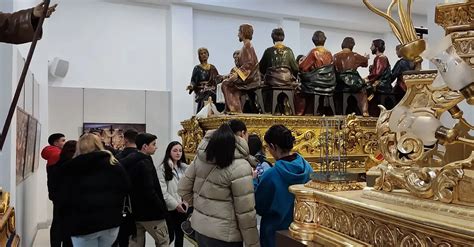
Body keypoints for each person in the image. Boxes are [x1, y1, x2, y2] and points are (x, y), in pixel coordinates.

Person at [178, 123, 260, 247]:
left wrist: (202, 206)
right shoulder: (240, 166)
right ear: (242, 134)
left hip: (201, 229)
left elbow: (182, 188)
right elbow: (246, 213)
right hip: (225, 236)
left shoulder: (201, 158)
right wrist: (252, 243)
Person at [56, 134, 129, 247]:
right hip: (110, 222)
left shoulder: (69, 168)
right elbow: (126, 188)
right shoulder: (114, 164)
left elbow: (62, 199)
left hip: (82, 224)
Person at [255, 125, 313, 247]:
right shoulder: (308, 168)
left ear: (273, 146)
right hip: (301, 232)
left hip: (274, 234)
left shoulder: (271, 175)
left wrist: (254, 181)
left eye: (268, 147)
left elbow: (259, 206)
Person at [121, 133, 169, 247]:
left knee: (136, 243)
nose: (156, 147)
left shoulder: (127, 161)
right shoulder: (144, 162)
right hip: (152, 214)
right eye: (153, 144)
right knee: (163, 242)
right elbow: (149, 191)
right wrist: (162, 208)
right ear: (144, 146)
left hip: (134, 213)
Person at [221, 24, 262, 113]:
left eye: (239, 32)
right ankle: (231, 108)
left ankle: (235, 109)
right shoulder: (246, 46)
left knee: (226, 84)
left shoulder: (247, 45)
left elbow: (250, 63)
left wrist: (237, 75)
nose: (238, 34)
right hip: (247, 76)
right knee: (228, 82)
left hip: (250, 78)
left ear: (243, 33)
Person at [296, 31, 335, 115]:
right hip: (329, 83)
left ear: (313, 40)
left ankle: (306, 111)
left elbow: (303, 67)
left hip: (317, 82)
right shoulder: (329, 53)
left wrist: (301, 61)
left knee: (301, 85)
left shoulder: (314, 52)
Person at [157, 141, 188, 247]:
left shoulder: (184, 168)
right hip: (170, 208)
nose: (178, 153)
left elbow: (188, 188)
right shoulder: (162, 169)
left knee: (180, 235)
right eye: (175, 150)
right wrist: (176, 205)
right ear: (169, 152)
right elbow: (163, 191)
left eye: (180, 151)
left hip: (183, 207)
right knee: (169, 237)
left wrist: (185, 201)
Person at [113, 129, 139, 247]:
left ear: (125, 140)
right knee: (136, 236)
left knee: (121, 235)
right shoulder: (142, 158)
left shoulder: (117, 157)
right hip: (137, 202)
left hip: (120, 202)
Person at [47, 140, 76, 247]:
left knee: (57, 224)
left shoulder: (54, 165)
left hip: (59, 199)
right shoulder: (76, 165)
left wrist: (53, 196)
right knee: (70, 227)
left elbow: (50, 182)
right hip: (73, 201)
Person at [333, 37, 370, 116]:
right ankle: (365, 111)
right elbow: (365, 63)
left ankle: (339, 112)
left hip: (339, 84)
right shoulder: (355, 55)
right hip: (353, 84)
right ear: (352, 45)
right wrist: (366, 57)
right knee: (363, 90)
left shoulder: (335, 56)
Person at [187, 48, 220, 112]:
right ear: (199, 56)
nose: (203, 55)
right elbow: (193, 81)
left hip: (212, 88)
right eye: (201, 54)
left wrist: (224, 78)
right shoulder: (197, 68)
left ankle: (216, 112)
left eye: (205, 53)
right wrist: (191, 86)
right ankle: (203, 113)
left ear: (208, 55)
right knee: (208, 93)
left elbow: (217, 78)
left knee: (217, 94)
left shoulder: (212, 67)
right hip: (202, 90)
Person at [366, 39, 392, 115]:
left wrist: (366, 79)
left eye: (372, 46)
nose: (370, 48)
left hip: (381, 86)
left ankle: (369, 113)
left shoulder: (380, 58)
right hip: (382, 84)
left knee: (363, 90)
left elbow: (376, 73)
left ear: (376, 47)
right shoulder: (380, 58)